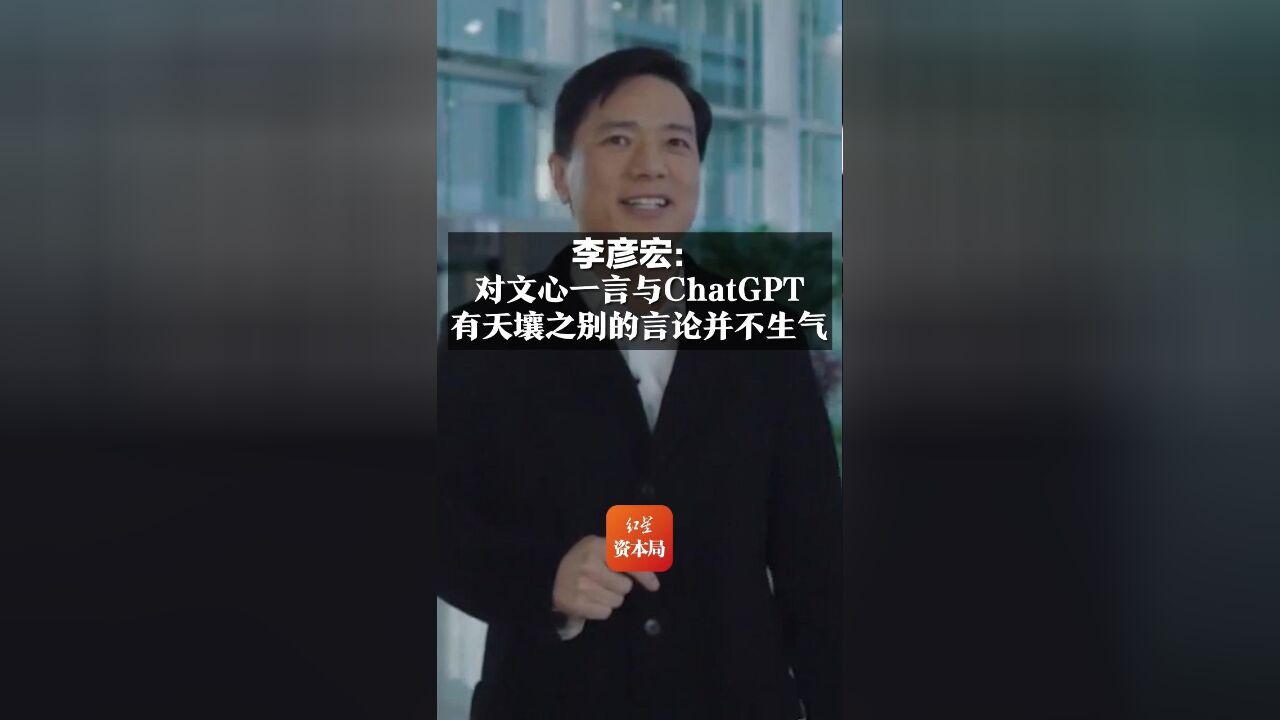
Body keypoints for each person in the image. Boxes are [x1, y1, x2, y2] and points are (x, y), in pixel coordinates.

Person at [436, 46, 841, 719]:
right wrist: (542, 580)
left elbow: (817, 562)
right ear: (560, 174)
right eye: (619, 139)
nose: (651, 166)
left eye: (676, 143)